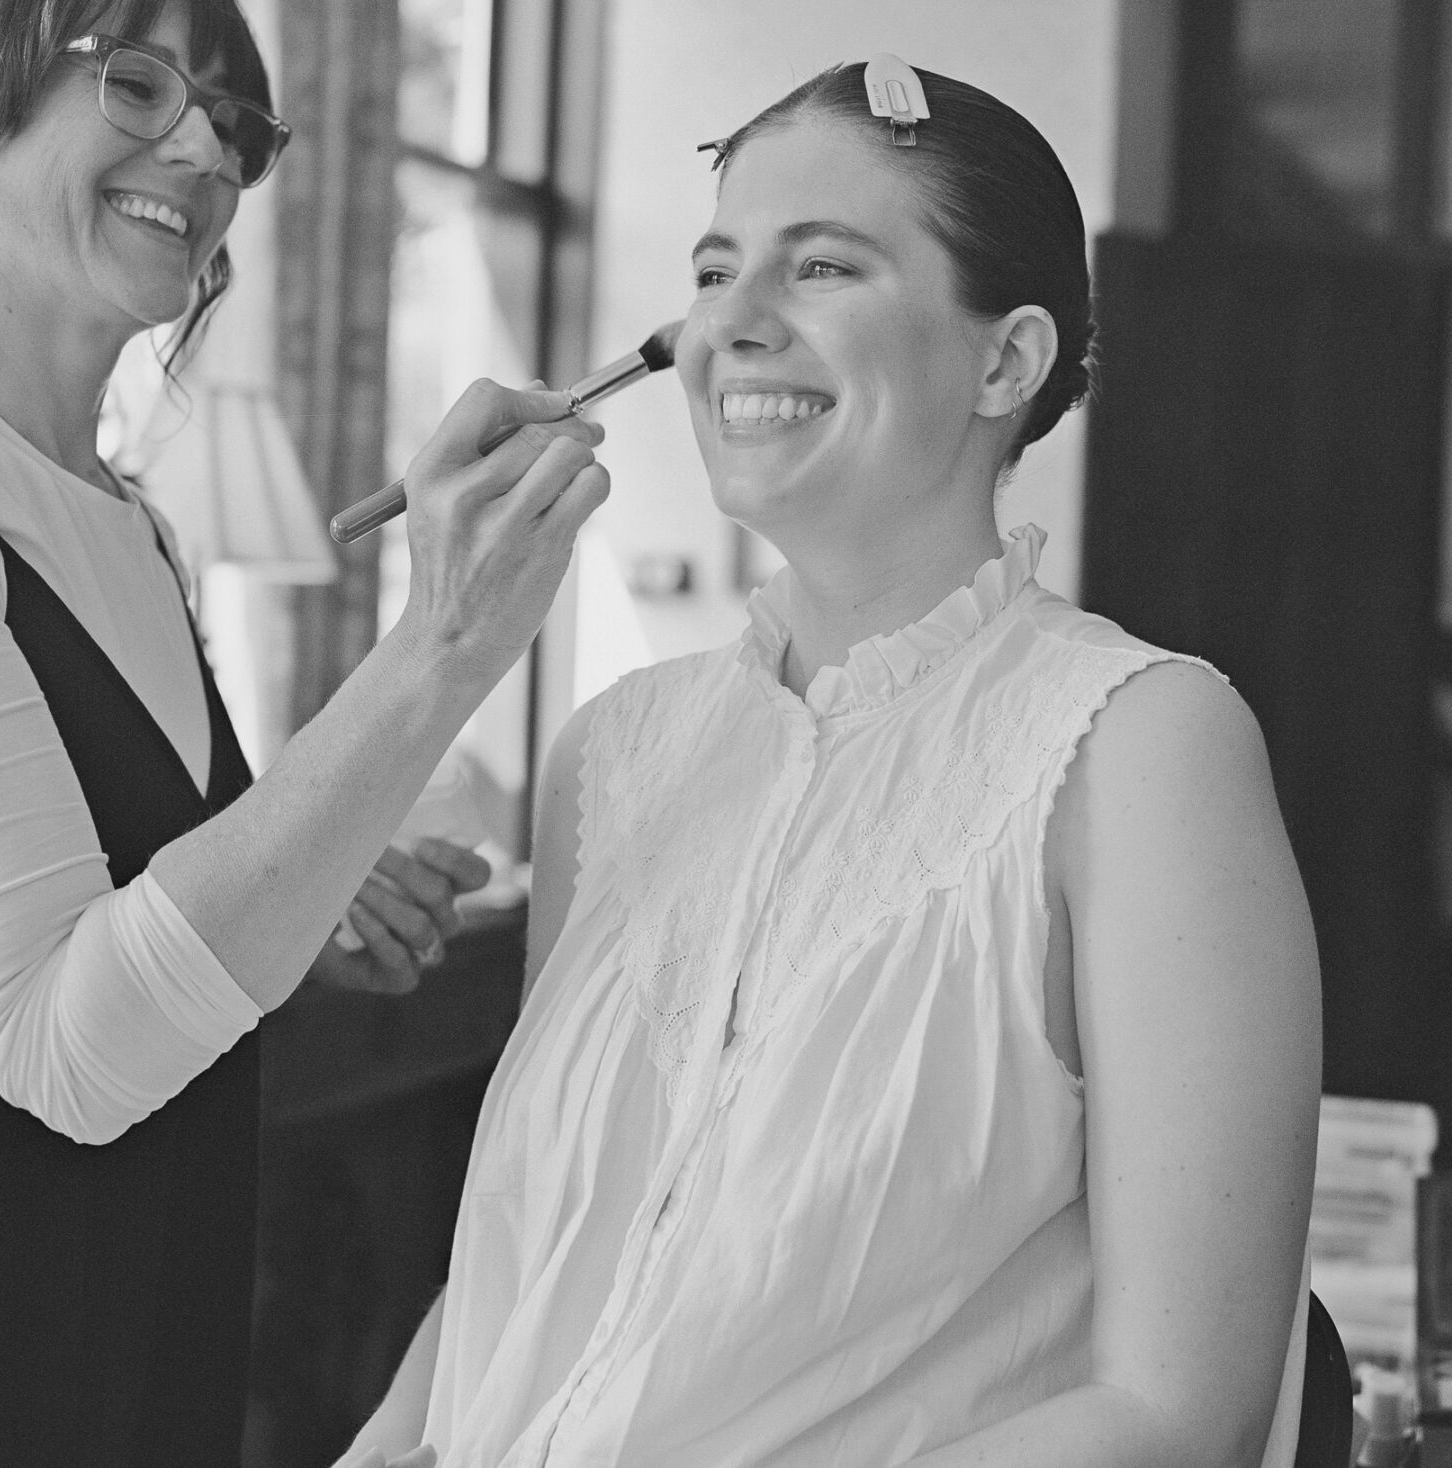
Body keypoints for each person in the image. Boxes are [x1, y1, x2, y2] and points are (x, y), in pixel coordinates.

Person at [342, 59, 1320, 1468]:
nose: (728, 325)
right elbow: (558, 1256)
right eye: (715, 269)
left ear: (1007, 361)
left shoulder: (1142, 747)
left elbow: (1183, 1413)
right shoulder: (611, 754)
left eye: (821, 269)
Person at [0, 0, 607, 1462]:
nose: (206, 148)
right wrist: (443, 641)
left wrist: (311, 898)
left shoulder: (137, 530)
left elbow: (131, 900)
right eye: (138, 82)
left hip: (141, 1337)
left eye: (239, 126)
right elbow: (56, 1038)